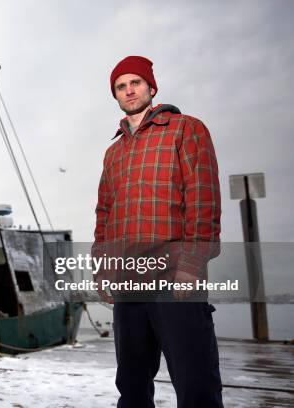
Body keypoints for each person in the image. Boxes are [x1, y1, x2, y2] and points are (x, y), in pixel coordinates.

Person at [93, 56, 223, 407]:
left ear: (152, 87)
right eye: (121, 86)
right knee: (132, 384)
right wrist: (103, 270)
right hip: (127, 282)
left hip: (173, 277)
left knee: (195, 382)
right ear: (115, 95)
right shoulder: (113, 152)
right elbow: (105, 212)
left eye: (135, 82)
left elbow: (203, 199)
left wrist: (192, 266)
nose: (129, 90)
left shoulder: (186, 128)